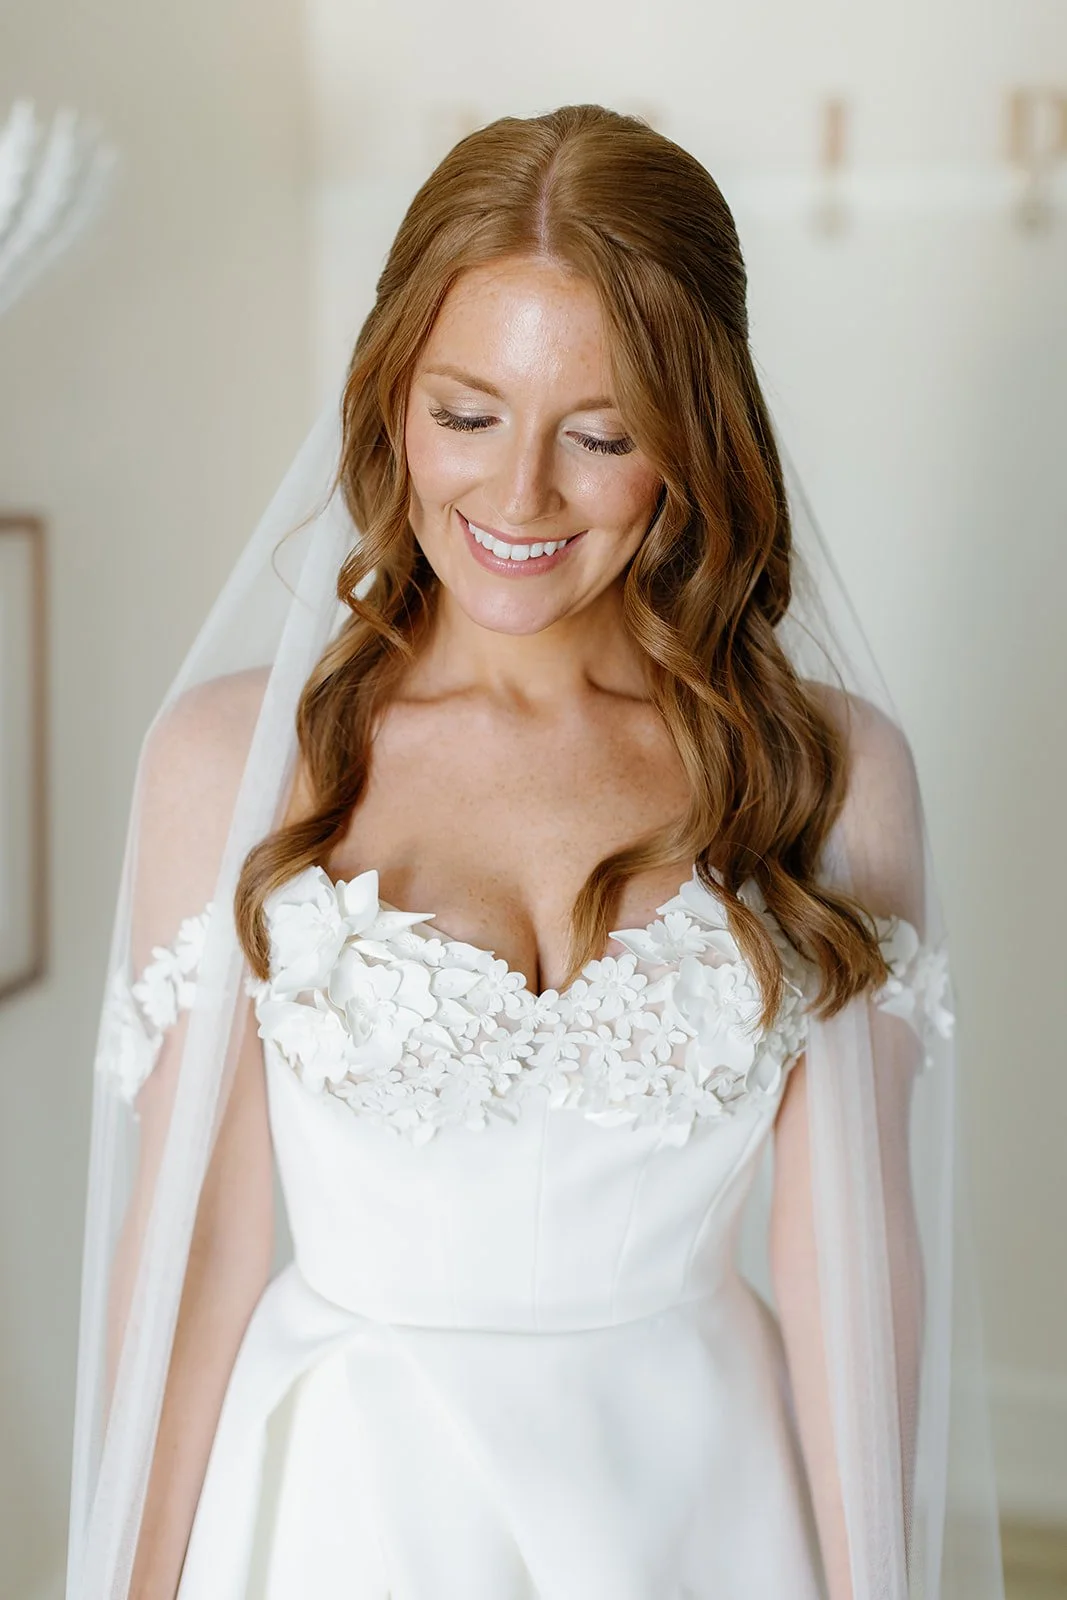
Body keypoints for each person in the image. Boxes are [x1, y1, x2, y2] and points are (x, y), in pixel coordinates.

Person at [68, 103, 1004, 1599]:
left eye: (601, 434)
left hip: (698, 1509)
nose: (516, 499)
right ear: (389, 403)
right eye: (468, 414)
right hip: (338, 1512)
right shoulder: (229, 763)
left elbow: (850, 1271)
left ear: (689, 442)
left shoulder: (823, 776)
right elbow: (195, 1263)